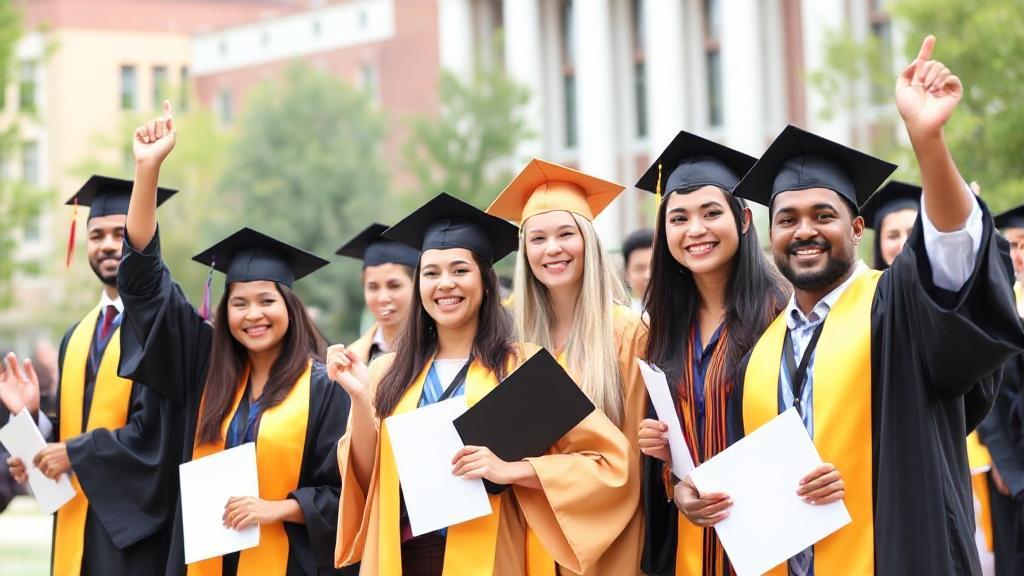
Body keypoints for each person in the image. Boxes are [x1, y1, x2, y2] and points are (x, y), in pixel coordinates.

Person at [716, 36, 1024, 575]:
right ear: (771, 235)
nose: (804, 230)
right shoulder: (763, 349)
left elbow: (950, 255)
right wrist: (712, 504)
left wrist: (928, 142)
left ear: (858, 229)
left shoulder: (896, 306)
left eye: (823, 215)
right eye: (787, 219)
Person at [331, 192, 633, 575]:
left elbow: (607, 464)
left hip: (492, 557)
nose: (445, 285)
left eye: (460, 271)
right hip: (405, 559)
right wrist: (359, 399)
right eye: (431, 273)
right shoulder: (385, 372)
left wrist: (514, 469)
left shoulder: (525, 365)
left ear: (486, 282)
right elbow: (364, 475)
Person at [119, 101, 352, 575]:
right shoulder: (203, 367)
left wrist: (279, 508)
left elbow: (347, 490)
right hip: (205, 559)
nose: (253, 314)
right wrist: (148, 172)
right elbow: (145, 284)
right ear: (224, 312)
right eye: (239, 303)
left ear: (290, 306)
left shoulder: (326, 388)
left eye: (266, 300)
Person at [1, 175, 184, 576]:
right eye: (96, 234)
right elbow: (73, 431)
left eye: (120, 233)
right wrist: (35, 431)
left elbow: (157, 434)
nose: (107, 245)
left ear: (142, 237)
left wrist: (74, 453)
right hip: (74, 524)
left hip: (136, 537)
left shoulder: (162, 328)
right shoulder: (78, 334)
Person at [632, 131, 790, 575]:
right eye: (678, 218)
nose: (695, 230)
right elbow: (681, 451)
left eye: (711, 213)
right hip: (694, 543)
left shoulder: (780, 313)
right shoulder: (665, 327)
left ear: (743, 219)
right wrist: (672, 477)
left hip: (772, 537)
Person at [486, 159, 646, 574]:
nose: (551, 249)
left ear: (588, 242)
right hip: (525, 536)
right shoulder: (511, 338)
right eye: (537, 238)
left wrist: (520, 471)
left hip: (602, 538)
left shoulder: (627, 334)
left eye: (565, 234)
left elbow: (628, 462)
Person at [336, 223, 419, 363]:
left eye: (394, 286)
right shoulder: (351, 359)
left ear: (417, 286)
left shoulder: (444, 350)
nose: (383, 298)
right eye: (373, 287)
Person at [858, 180, 921, 270]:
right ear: (879, 244)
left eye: (912, 233)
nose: (903, 244)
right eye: (893, 236)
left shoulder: (946, 281)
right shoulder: (867, 284)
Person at [622, 228, 654, 313]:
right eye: (640, 269)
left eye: (655, 267)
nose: (648, 275)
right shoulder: (623, 321)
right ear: (626, 274)